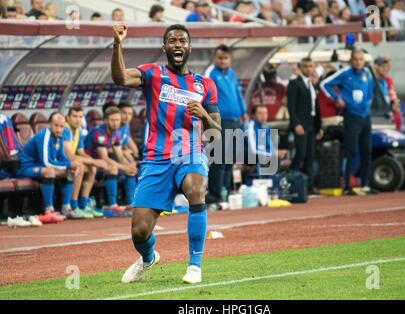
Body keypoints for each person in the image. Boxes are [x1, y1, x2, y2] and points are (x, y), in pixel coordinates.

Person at [111, 23, 221, 284]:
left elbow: (216, 130)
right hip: (156, 159)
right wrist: (117, 44)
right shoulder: (153, 74)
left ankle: (195, 266)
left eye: (182, 40)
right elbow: (121, 78)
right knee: (139, 232)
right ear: (165, 47)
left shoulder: (205, 84)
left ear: (189, 46)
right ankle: (148, 257)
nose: (177, 44)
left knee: (196, 188)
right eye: (172, 41)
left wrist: (204, 114)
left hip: (190, 153)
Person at [321, 48, 375, 195]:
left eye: (361, 59)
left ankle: (365, 184)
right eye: (356, 59)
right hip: (351, 116)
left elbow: (370, 91)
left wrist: (369, 101)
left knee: (367, 151)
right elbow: (325, 84)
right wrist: (336, 98)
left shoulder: (367, 73)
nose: (358, 62)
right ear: (351, 60)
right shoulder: (345, 73)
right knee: (350, 151)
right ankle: (346, 186)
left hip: (365, 117)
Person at [17, 112, 82, 223]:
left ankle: (66, 207)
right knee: (50, 171)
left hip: (41, 167)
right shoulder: (44, 135)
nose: (59, 129)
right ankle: (49, 210)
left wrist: (71, 166)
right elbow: (47, 162)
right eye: (56, 125)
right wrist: (69, 165)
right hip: (27, 168)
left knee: (69, 172)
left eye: (61, 126)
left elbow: (61, 156)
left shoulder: (60, 137)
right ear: (50, 124)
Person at [205, 44, 247, 203]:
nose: (223, 61)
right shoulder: (210, 73)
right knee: (219, 159)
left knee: (230, 160)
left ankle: (226, 192)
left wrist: (243, 112)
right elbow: (205, 96)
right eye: (220, 58)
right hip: (219, 121)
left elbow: (238, 94)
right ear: (215, 58)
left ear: (230, 59)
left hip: (235, 121)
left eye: (226, 58)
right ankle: (215, 195)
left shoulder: (232, 74)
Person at [84, 107, 138, 216]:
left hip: (101, 165)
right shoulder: (99, 133)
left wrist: (128, 166)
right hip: (91, 163)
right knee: (112, 168)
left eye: (117, 120)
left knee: (130, 169)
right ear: (106, 120)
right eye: (112, 120)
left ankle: (131, 203)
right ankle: (112, 205)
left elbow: (119, 156)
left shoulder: (115, 134)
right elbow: (104, 158)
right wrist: (123, 167)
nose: (115, 123)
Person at [62, 106, 106, 219]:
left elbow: (81, 152)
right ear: (68, 118)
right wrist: (95, 161)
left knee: (92, 168)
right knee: (80, 167)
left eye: (80, 117)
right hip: (60, 162)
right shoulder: (65, 129)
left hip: (69, 162)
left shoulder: (77, 131)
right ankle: (74, 204)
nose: (77, 119)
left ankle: (83, 204)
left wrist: (93, 162)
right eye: (74, 116)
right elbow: (70, 156)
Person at [288, 57, 323, 194]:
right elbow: (291, 106)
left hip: (311, 125)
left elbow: (316, 107)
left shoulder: (312, 84)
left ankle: (308, 187)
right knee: (300, 153)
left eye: (310, 66)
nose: (308, 69)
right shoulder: (294, 83)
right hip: (301, 125)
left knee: (310, 156)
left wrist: (319, 127)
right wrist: (296, 123)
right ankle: (290, 182)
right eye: (305, 66)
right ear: (300, 67)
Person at [246, 104, 287, 175]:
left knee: (278, 157)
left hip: (262, 154)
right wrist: (272, 154)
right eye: (260, 113)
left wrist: (276, 152)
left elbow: (269, 145)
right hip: (249, 155)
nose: (263, 116)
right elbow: (252, 151)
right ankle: (261, 181)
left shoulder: (265, 126)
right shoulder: (250, 127)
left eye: (265, 113)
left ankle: (274, 182)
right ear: (254, 116)